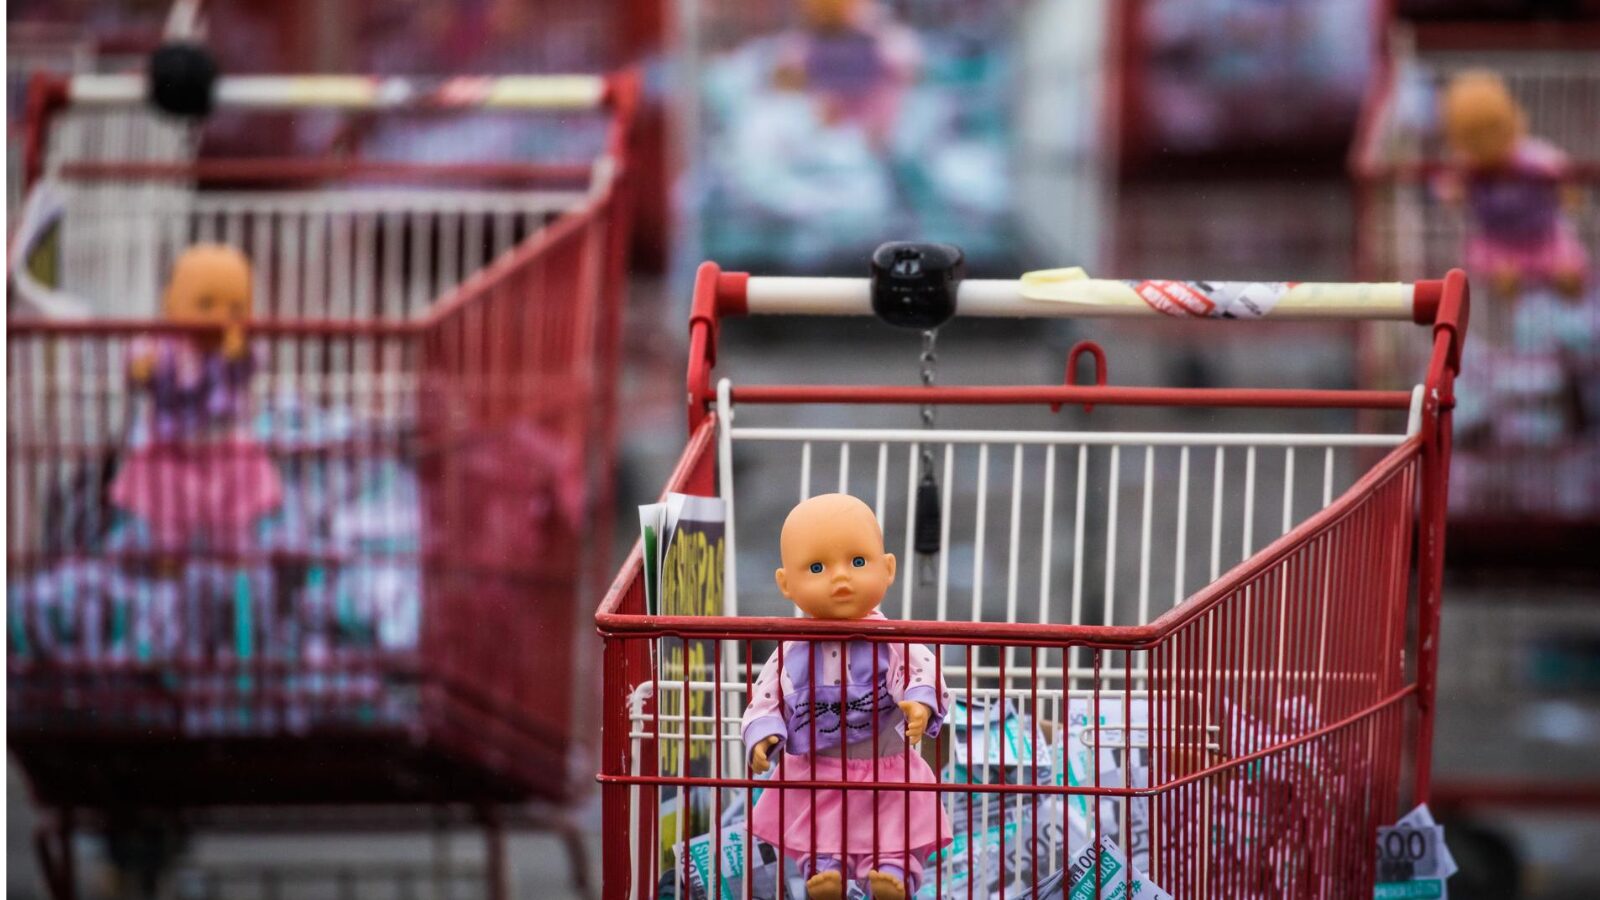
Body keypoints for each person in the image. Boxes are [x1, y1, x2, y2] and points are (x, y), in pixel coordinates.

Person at [741, 493, 951, 900]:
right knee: (818, 828)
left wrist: (920, 703)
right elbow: (766, 695)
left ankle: (893, 873)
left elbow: (923, 668)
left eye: (857, 562)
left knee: (895, 828)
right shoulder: (792, 650)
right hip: (818, 768)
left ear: (887, 569)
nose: (840, 578)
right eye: (817, 567)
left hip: (885, 767)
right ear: (786, 584)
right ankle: (824, 871)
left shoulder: (891, 641)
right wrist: (764, 733)